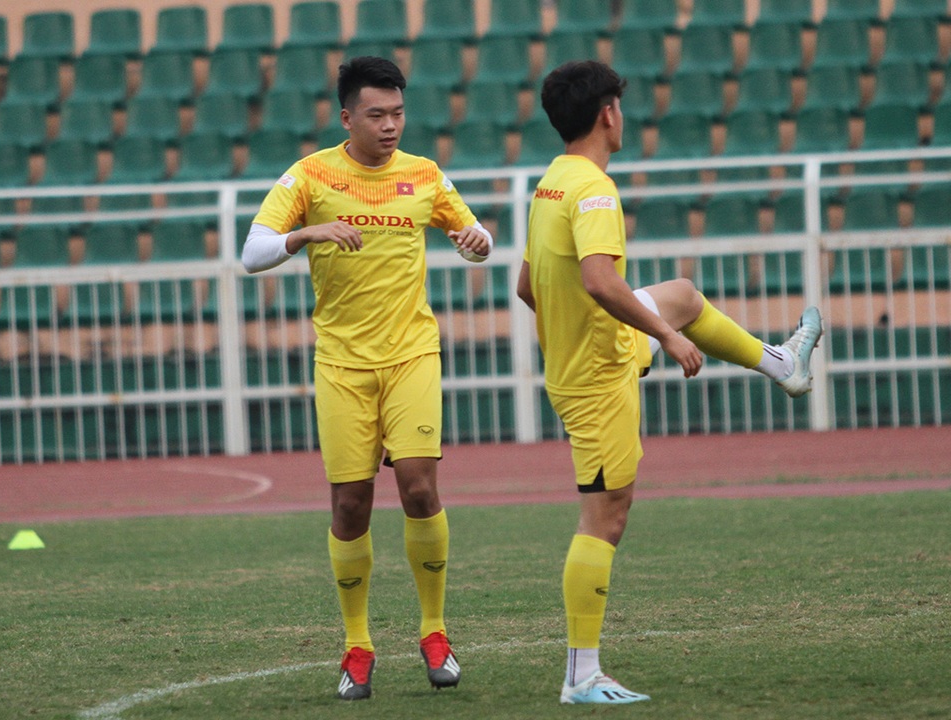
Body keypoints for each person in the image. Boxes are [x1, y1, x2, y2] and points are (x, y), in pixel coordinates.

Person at [516, 60, 823, 705]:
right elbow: (600, 281)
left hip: (595, 351)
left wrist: (606, 327)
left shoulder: (551, 183)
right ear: (608, 114)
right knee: (606, 517)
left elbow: (527, 286)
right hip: (597, 380)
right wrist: (664, 337)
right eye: (620, 106)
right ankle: (581, 676)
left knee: (680, 294)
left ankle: (783, 364)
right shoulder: (595, 191)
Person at [242, 56, 493, 701]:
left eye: (399, 113)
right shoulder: (311, 174)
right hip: (343, 364)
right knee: (350, 506)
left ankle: (435, 632)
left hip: (412, 353)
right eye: (377, 114)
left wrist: (476, 240)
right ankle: (358, 645)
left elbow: (472, 228)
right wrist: (306, 234)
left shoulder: (425, 174)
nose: (390, 126)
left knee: (417, 488)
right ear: (347, 117)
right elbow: (251, 253)